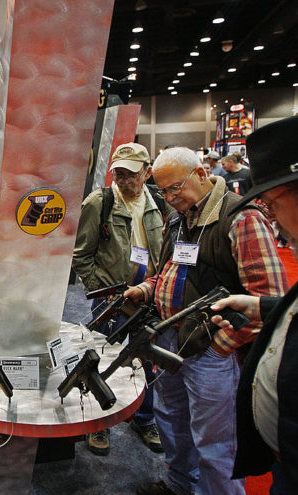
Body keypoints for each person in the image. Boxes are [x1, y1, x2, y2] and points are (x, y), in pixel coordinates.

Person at [124, 146, 288, 495]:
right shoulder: (178, 218)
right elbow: (168, 273)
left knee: (215, 443)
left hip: (213, 353)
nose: (169, 198)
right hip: (171, 341)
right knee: (172, 423)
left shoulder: (242, 219)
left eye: (175, 188)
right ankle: (180, 484)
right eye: (163, 191)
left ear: (201, 175)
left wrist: (217, 349)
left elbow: (271, 302)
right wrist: (145, 289)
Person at [209, 115, 298, 493]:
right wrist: (266, 308)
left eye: (274, 203)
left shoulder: (242, 220)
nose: (271, 217)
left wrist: (215, 348)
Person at [73, 142, 168, 456]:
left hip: (149, 296)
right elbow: (81, 255)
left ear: (146, 172)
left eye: (131, 174)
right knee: (101, 359)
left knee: (148, 359)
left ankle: (144, 418)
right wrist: (103, 289)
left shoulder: (158, 201)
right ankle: (98, 423)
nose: (125, 180)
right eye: (119, 173)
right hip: (111, 299)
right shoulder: (100, 202)